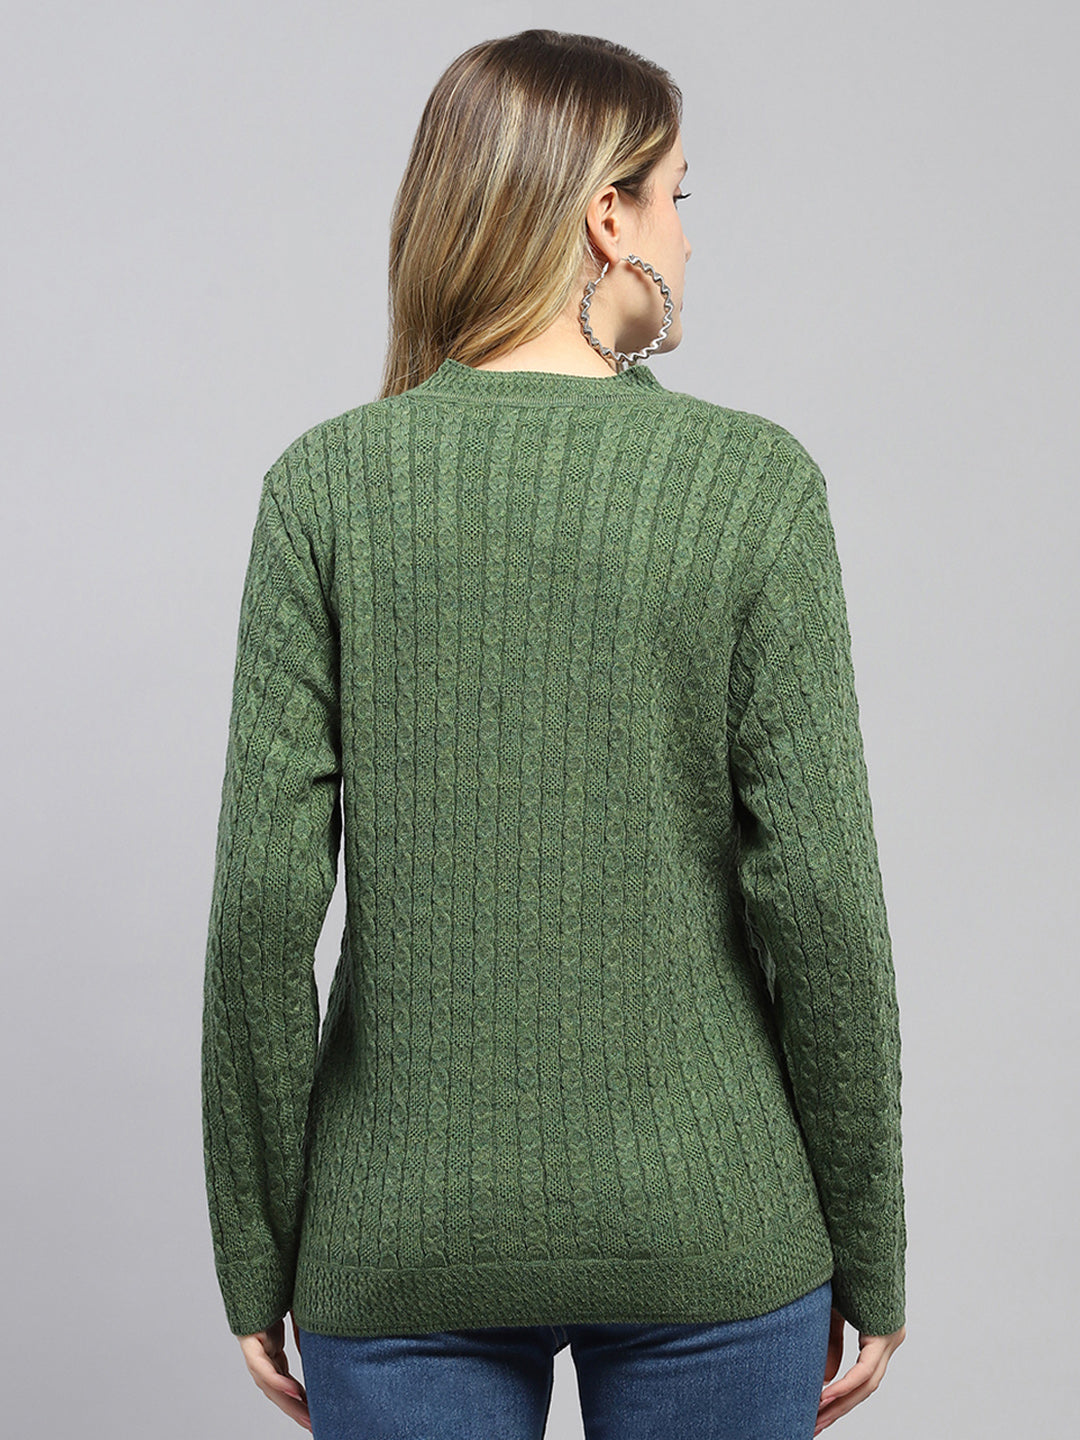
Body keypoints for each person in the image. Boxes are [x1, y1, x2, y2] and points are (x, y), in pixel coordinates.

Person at [200, 27, 907, 1440]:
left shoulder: (326, 489)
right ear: (607, 219)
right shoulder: (751, 486)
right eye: (677, 199)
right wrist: (874, 1246)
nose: (689, 239)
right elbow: (821, 897)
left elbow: (263, 909)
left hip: (397, 1237)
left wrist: (258, 1253)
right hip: (714, 1229)